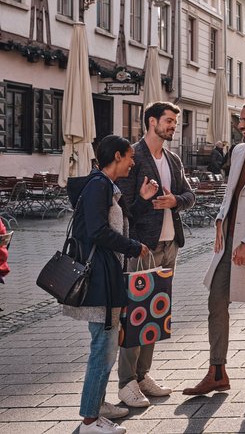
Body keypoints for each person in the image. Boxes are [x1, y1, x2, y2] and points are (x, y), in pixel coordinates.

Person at [184, 101, 245, 396]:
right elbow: (233, 192)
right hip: (228, 237)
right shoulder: (238, 151)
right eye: (241, 120)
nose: (241, 125)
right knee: (216, 301)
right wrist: (219, 218)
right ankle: (217, 371)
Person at [64, 135, 152, 434]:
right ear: (117, 156)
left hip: (108, 276)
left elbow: (120, 223)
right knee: (103, 349)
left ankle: (98, 406)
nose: (132, 162)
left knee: (105, 346)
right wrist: (131, 247)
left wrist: (142, 199)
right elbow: (97, 231)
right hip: (101, 279)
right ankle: (90, 420)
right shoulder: (98, 185)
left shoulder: (106, 186)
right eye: (129, 157)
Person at [116, 101, 195, 408]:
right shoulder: (133, 157)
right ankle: (126, 382)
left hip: (169, 244)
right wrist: (148, 201)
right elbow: (123, 208)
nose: (174, 125)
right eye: (169, 121)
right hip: (143, 246)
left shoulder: (173, 159)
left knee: (155, 314)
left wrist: (176, 200)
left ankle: (143, 374)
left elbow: (190, 195)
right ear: (152, 122)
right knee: (136, 314)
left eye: (175, 121)